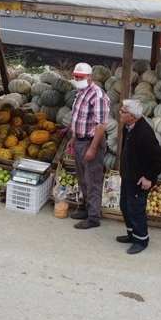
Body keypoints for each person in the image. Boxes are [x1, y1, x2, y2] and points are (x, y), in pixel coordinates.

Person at [117, 99, 161, 254]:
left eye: (123, 111)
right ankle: (131, 235)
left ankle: (141, 240)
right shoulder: (128, 127)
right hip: (128, 176)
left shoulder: (144, 133)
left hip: (139, 180)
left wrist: (149, 177)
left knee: (136, 210)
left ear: (132, 116)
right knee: (125, 207)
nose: (120, 112)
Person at [68, 62, 110, 230]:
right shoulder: (80, 92)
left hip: (90, 142)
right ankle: (87, 208)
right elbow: (78, 117)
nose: (78, 79)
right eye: (76, 77)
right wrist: (73, 137)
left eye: (81, 77)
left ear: (90, 77)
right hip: (79, 140)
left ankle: (94, 217)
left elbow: (101, 125)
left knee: (93, 180)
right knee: (83, 179)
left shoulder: (98, 96)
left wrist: (93, 147)